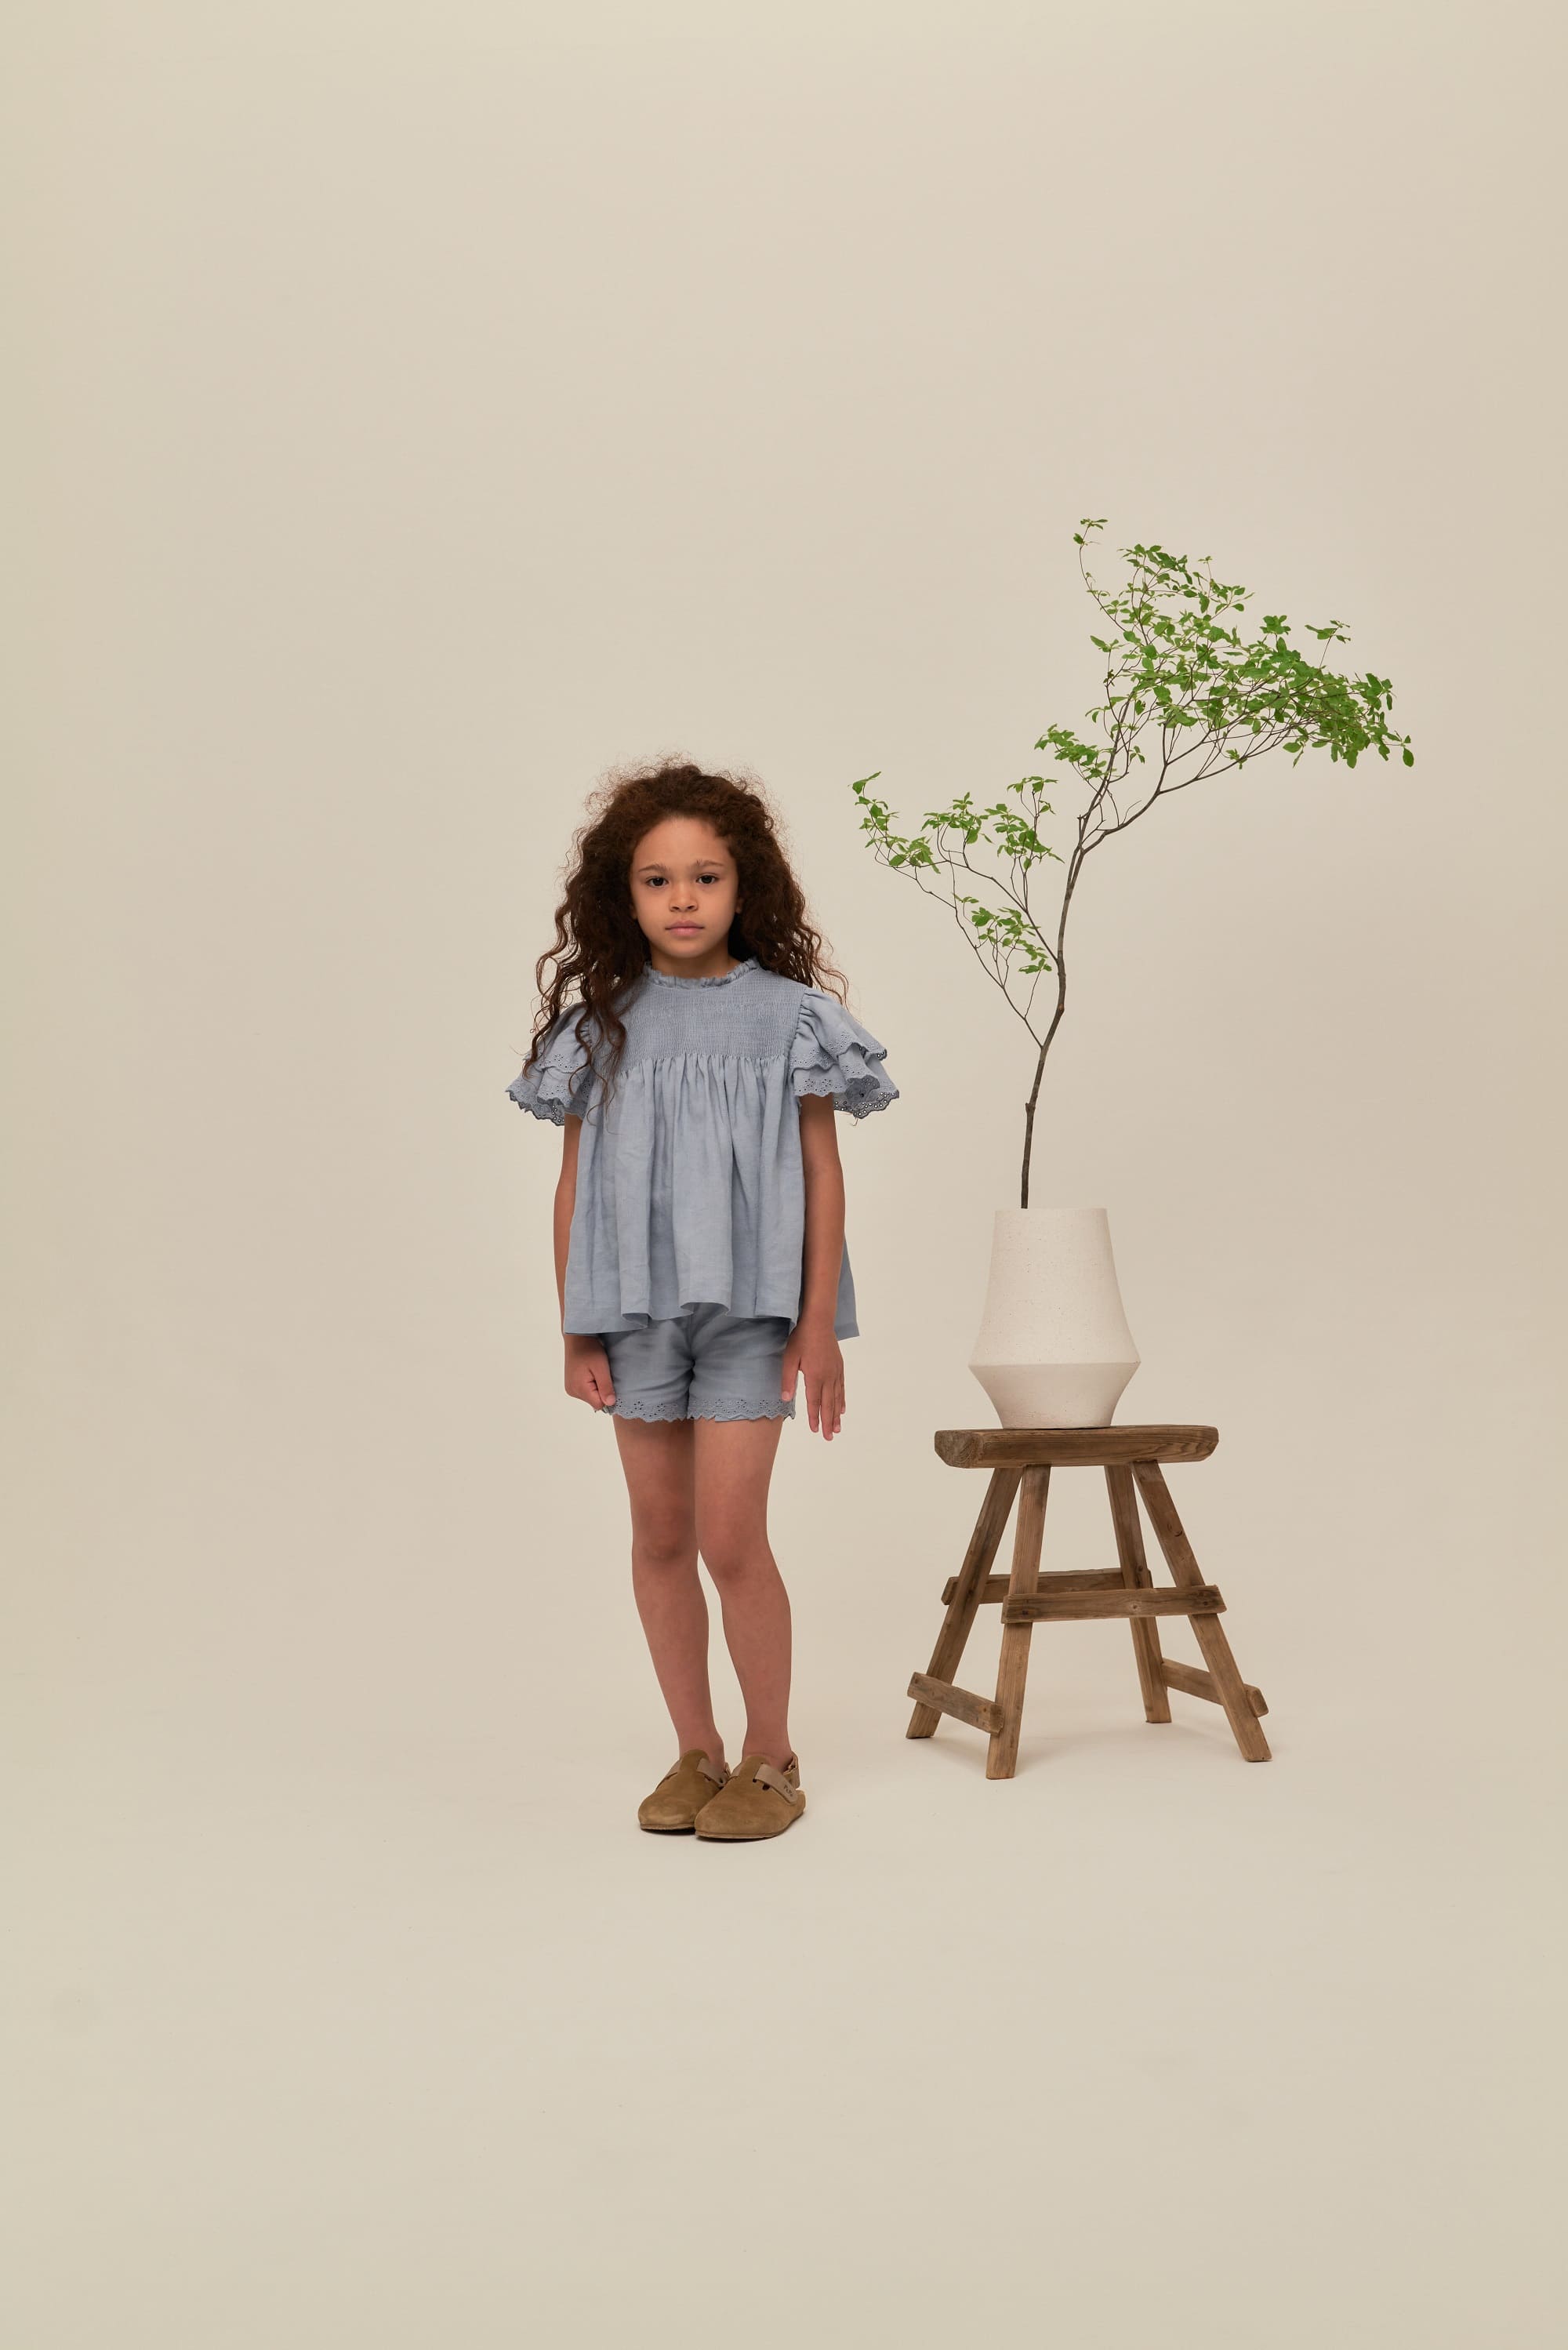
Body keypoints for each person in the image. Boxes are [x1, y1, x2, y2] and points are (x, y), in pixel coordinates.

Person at [506, 760, 898, 1841]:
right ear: (623, 894)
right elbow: (574, 1186)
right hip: (633, 1313)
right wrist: (575, 1326)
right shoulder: (600, 1025)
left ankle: (772, 1757)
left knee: (731, 1539)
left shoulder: (792, 1019)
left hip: (752, 1315)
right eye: (658, 880)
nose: (683, 898)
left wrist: (818, 1325)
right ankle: (697, 1750)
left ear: (743, 884)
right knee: (660, 1535)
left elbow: (822, 1172)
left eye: (706, 877)